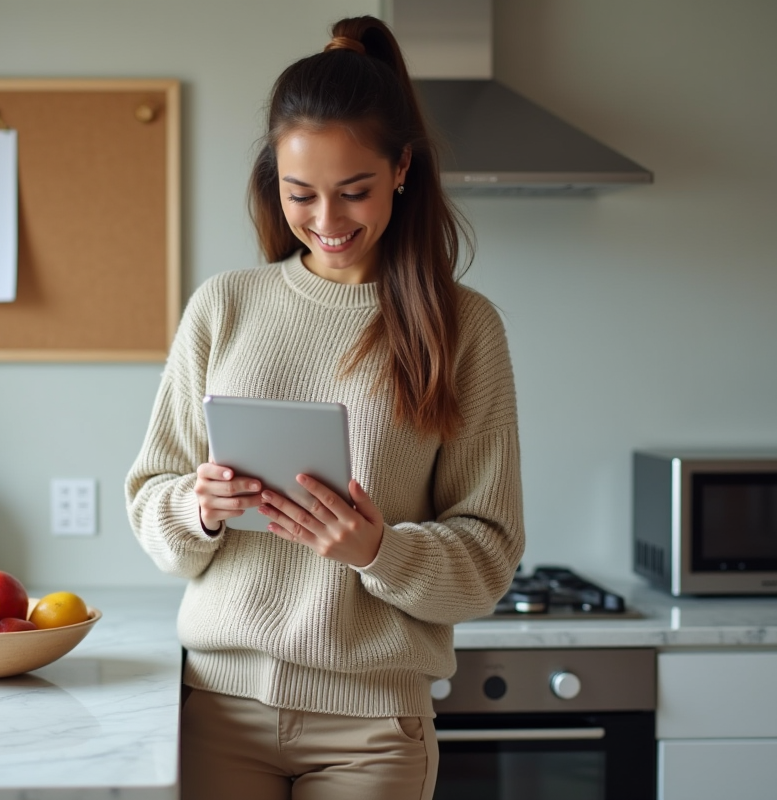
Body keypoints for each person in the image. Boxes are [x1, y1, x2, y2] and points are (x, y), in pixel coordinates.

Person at [125, 15, 524, 800]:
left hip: (374, 731)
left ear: (401, 168)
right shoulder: (223, 307)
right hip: (218, 710)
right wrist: (198, 507)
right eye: (301, 193)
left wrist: (379, 551)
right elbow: (150, 498)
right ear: (274, 176)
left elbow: (488, 559)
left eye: (355, 192)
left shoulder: (463, 325)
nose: (328, 222)